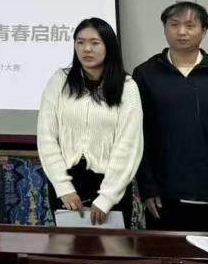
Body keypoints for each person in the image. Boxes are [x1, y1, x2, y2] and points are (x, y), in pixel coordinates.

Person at [135, 1, 208, 232]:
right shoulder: (146, 74)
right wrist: (148, 188)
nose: (182, 32)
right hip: (162, 198)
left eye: (190, 25)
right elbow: (139, 136)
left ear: (204, 31)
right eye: (174, 25)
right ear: (165, 29)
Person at [37, 18, 142, 226]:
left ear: (109, 46)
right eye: (80, 42)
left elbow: (129, 145)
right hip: (67, 184)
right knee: (68, 245)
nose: (86, 49)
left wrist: (107, 197)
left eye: (94, 43)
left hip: (111, 184)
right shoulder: (60, 81)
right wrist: (63, 187)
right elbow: (46, 136)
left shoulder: (127, 87)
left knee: (110, 246)